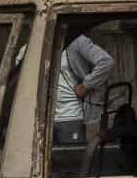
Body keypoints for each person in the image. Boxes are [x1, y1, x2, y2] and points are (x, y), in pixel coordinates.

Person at [49, 27, 117, 155]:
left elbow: (106, 62)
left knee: (71, 163)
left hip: (71, 115)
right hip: (45, 118)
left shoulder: (76, 41)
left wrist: (86, 85)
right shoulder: (37, 43)